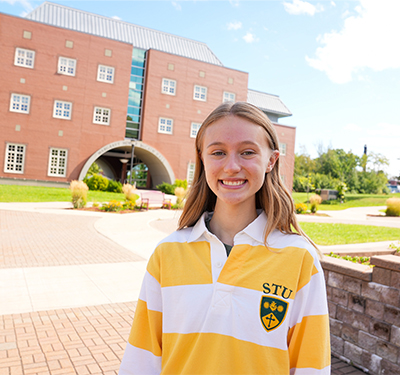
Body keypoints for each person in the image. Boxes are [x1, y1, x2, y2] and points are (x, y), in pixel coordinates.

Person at [119, 102, 331, 375]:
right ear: (202, 158)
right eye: (218, 152)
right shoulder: (167, 253)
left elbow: (311, 366)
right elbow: (142, 360)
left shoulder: (300, 258)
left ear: (271, 161)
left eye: (247, 152)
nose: (232, 166)